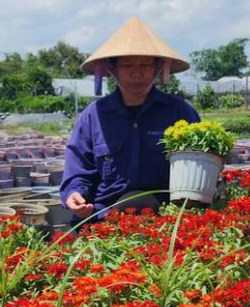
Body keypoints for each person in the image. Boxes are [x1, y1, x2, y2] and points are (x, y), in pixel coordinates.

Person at [60, 16, 200, 221]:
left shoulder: (180, 112)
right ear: (112, 70)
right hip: (104, 214)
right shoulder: (93, 116)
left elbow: (200, 166)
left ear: (157, 69)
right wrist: (75, 194)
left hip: (165, 216)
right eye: (127, 66)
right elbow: (79, 169)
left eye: (145, 65)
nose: (137, 73)